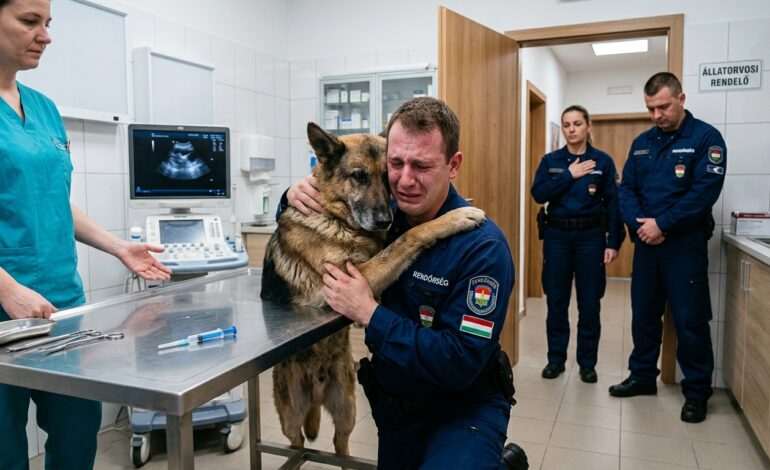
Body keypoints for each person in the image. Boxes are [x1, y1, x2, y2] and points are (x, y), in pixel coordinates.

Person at [287, 97, 516, 469]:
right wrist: (292, 195)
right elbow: (317, 220)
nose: (405, 180)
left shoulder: (482, 248)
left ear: (453, 165)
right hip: (396, 407)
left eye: (421, 166)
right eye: (396, 164)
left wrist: (370, 313)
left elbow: (460, 361)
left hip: (461, 409)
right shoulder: (384, 217)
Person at [0, 1, 172, 468]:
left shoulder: (44, 108)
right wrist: (7, 288)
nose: (46, 36)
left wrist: (119, 247)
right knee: (5, 448)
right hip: (4, 308)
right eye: (30, 21)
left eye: (48, 23)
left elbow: (53, 198)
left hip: (61, 303)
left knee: (78, 433)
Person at [609, 72, 726, 424]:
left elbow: (703, 193)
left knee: (690, 320)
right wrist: (642, 226)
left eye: (663, 107)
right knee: (644, 316)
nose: (656, 115)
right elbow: (626, 190)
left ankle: (697, 393)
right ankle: (643, 376)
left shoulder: (706, 138)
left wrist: (662, 224)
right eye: (650, 109)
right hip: (647, 244)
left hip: (684, 246)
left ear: (681, 99)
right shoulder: (642, 143)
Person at [531, 105, 624, 383]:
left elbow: (614, 204)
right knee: (556, 302)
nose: (571, 129)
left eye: (577, 124)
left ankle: (587, 363)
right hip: (557, 237)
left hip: (590, 238)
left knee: (590, 303)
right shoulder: (551, 161)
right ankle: (555, 360)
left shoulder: (602, 162)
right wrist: (568, 175)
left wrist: (613, 241)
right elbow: (538, 193)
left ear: (588, 126)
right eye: (567, 125)